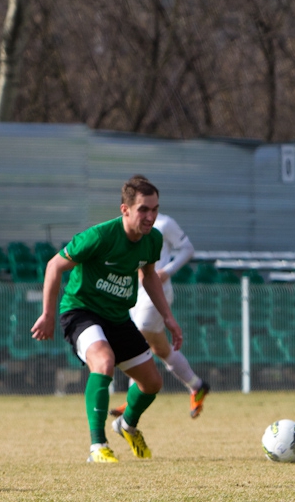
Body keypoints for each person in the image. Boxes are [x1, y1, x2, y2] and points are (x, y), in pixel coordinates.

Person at [31, 176, 184, 463]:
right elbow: (54, 265)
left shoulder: (153, 239)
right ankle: (97, 446)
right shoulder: (100, 236)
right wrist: (48, 314)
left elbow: (149, 276)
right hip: (81, 311)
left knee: (152, 383)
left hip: (117, 316)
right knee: (103, 361)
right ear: (125, 209)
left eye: (154, 209)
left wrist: (168, 317)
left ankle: (127, 424)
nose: (150, 216)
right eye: (143, 209)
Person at [109, 177, 209, 419]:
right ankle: (197, 385)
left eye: (153, 207)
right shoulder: (126, 226)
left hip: (157, 291)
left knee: (137, 336)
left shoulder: (164, 224)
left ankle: (132, 400)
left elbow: (188, 249)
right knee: (160, 349)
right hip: (135, 292)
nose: (149, 213)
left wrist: (167, 271)